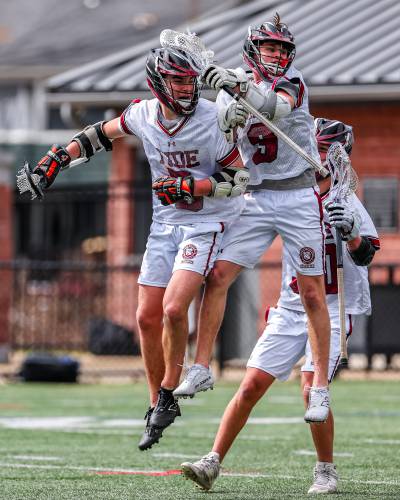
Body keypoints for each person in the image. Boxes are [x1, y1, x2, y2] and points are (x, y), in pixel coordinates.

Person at [29, 35, 249, 451]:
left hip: (205, 221)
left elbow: (238, 180)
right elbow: (99, 134)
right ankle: (156, 403)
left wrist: (191, 184)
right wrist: (58, 157)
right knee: (146, 316)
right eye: (179, 81)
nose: (188, 88)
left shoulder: (213, 118)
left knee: (172, 307)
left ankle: (169, 389)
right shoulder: (144, 114)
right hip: (165, 223)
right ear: (158, 83)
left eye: (190, 81)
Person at [180, 118, 380, 494]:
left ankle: (325, 470)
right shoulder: (293, 197)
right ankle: (213, 460)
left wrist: (352, 234)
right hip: (291, 308)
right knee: (251, 384)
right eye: (313, 148)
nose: (316, 157)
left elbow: (367, 255)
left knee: (310, 390)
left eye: (324, 151)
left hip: (332, 310)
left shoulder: (347, 202)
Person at [174, 13, 331, 424]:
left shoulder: (293, 81)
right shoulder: (233, 84)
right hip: (257, 197)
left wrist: (236, 87)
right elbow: (224, 138)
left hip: (298, 194)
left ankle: (320, 390)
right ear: (253, 49)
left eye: (282, 49)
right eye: (270, 47)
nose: (277, 55)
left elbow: (273, 109)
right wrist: (229, 113)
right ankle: (202, 366)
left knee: (313, 294)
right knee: (218, 275)